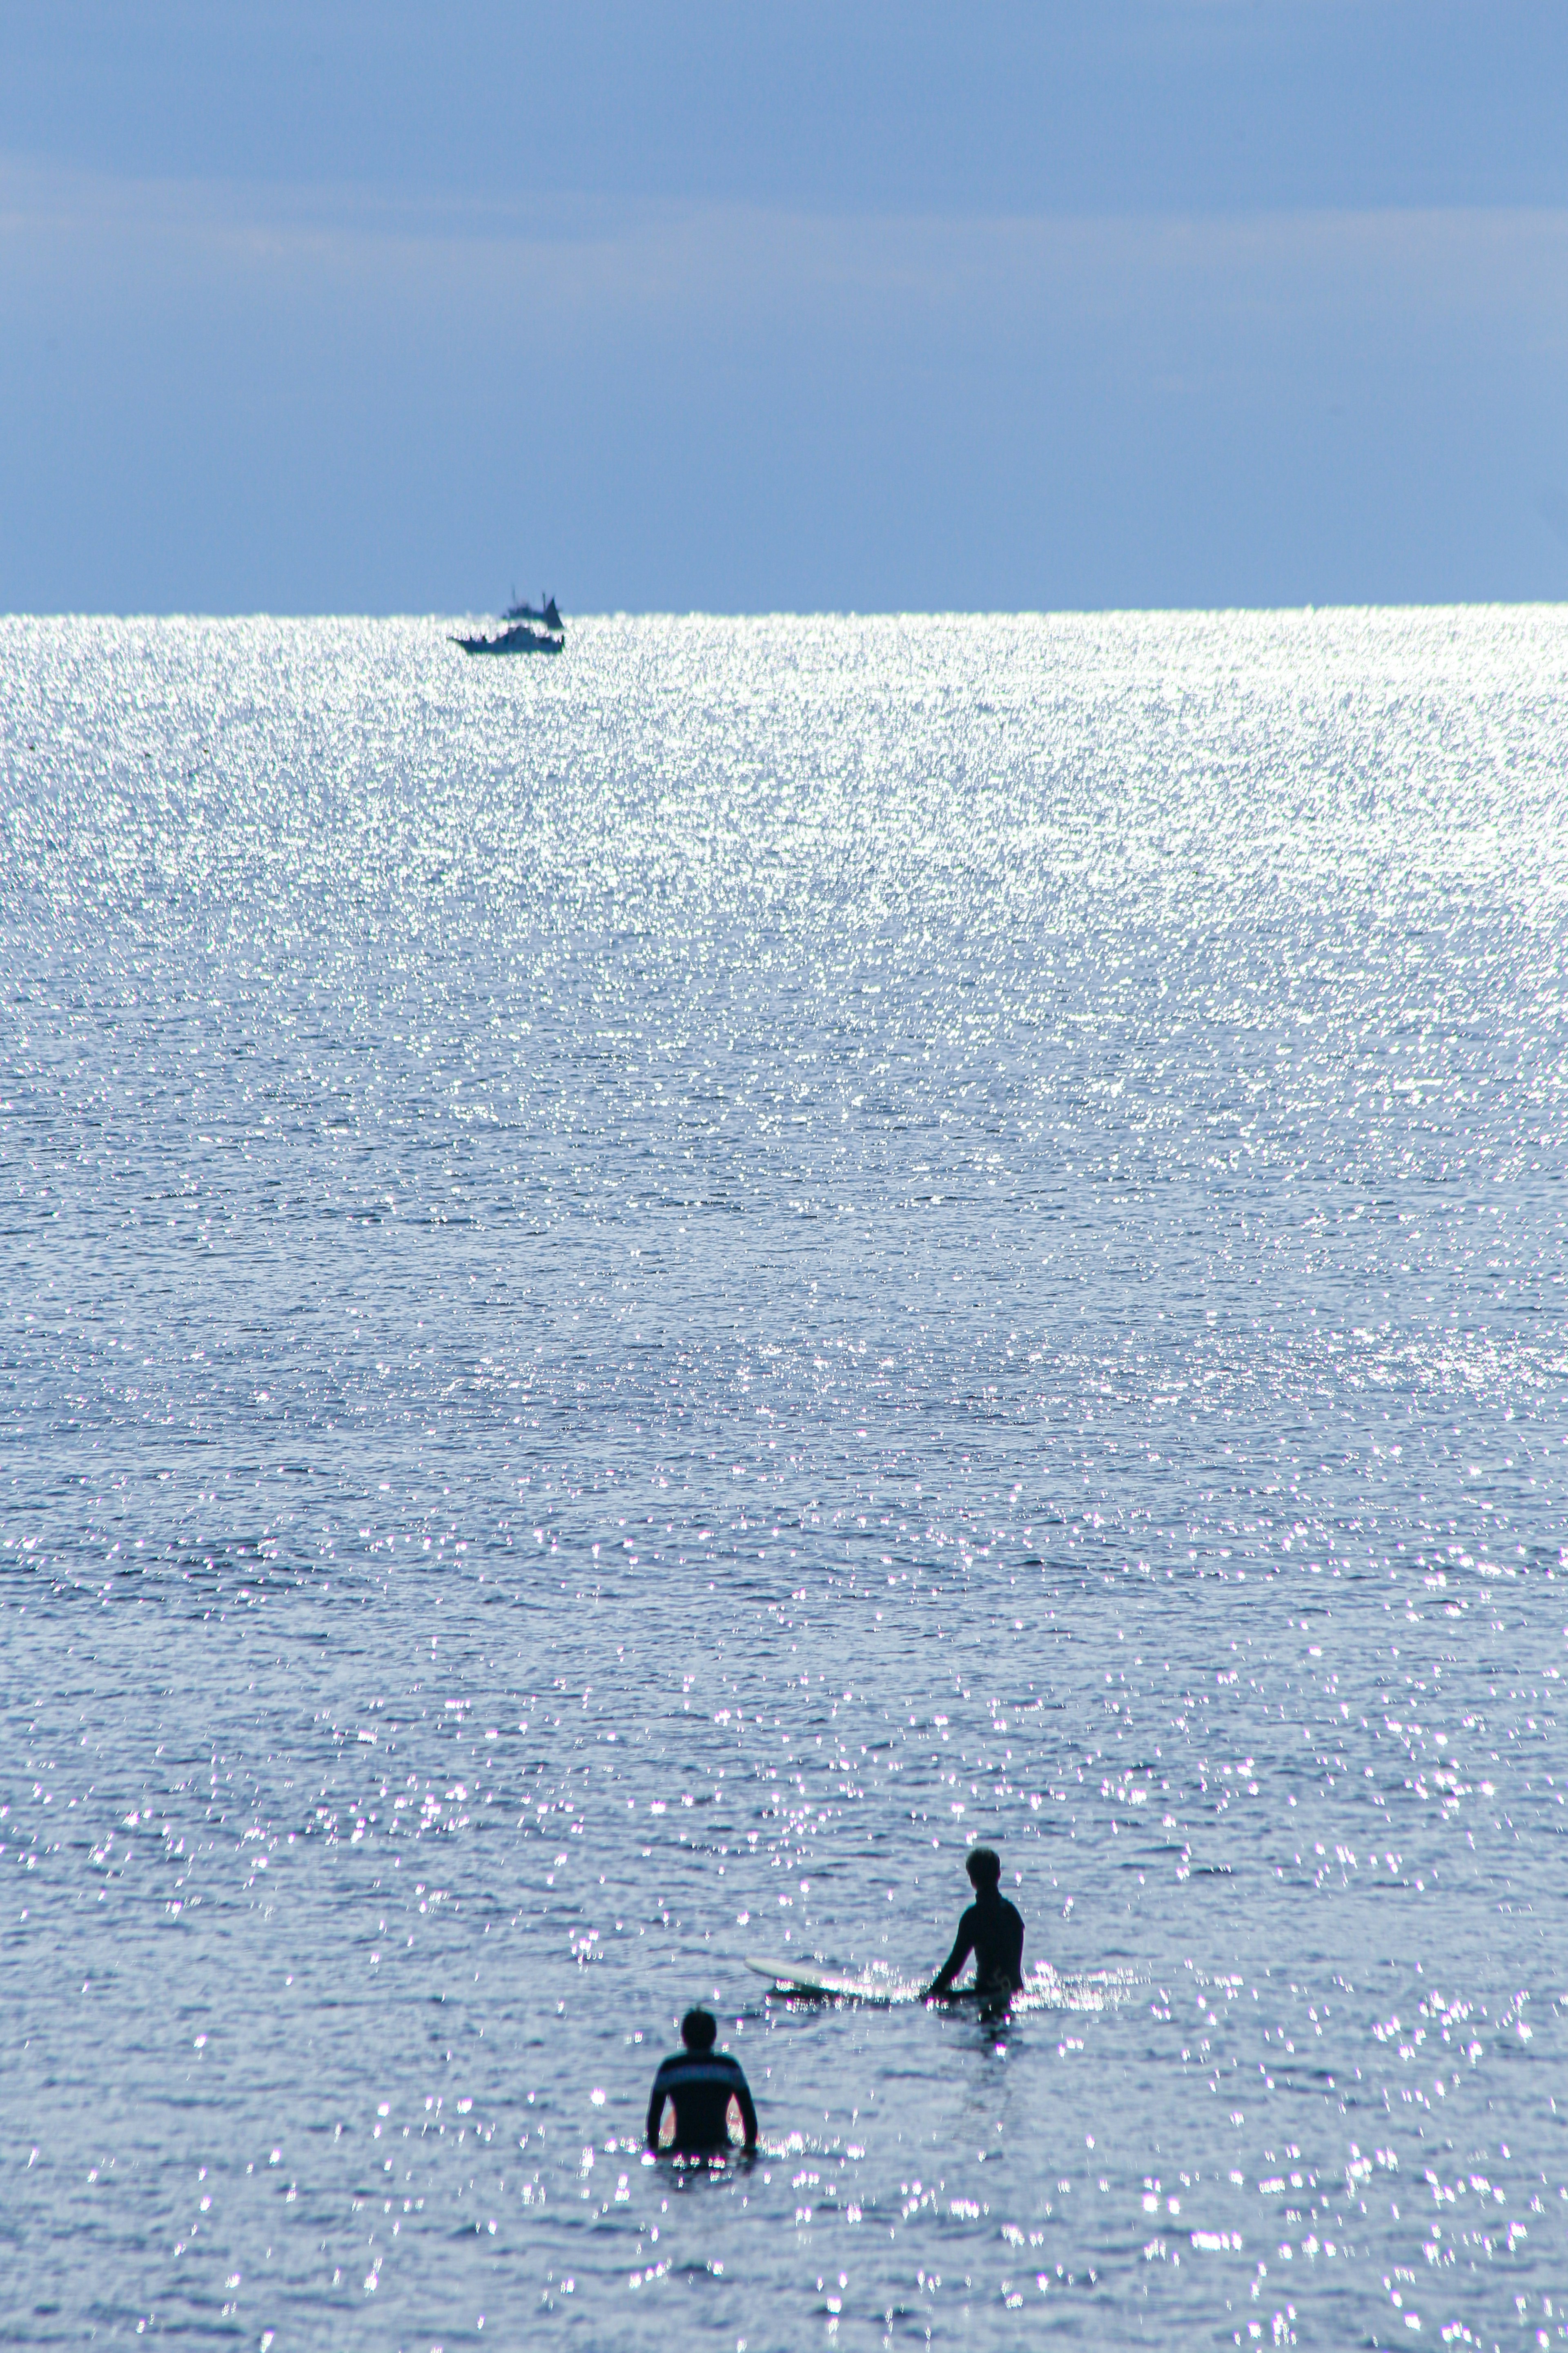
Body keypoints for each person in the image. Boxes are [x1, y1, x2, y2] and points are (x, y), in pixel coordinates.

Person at [645, 2007, 758, 2156]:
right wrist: (749, 2149)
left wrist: (655, 2151)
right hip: (720, 2148)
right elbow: (749, 2115)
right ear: (714, 2036)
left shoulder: (670, 2068)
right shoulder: (729, 2067)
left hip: (682, 2147)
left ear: (683, 2037)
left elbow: (654, 2118)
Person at [927, 1847, 1025, 2001]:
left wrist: (930, 1993)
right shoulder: (1012, 1913)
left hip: (987, 1994)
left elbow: (954, 1966)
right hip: (1016, 1993)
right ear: (999, 1875)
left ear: (972, 1880)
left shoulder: (974, 1917)